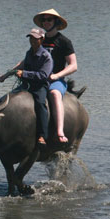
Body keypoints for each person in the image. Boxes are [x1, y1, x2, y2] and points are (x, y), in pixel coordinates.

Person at [0, 27, 53, 146]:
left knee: (40, 105)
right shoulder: (29, 53)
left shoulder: (46, 57)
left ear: (42, 39)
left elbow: (43, 75)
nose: (33, 41)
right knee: (2, 100)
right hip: (26, 85)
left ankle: (42, 135)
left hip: (39, 86)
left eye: (36, 39)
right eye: (31, 38)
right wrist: (6, 75)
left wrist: (24, 73)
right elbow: (22, 65)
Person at [33, 9, 77, 144]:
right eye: (44, 20)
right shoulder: (40, 39)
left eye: (49, 20)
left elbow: (73, 65)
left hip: (56, 80)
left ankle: (60, 131)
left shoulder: (64, 41)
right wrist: (12, 70)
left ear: (56, 22)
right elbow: (29, 57)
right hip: (38, 77)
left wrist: (57, 75)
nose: (46, 22)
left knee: (55, 94)